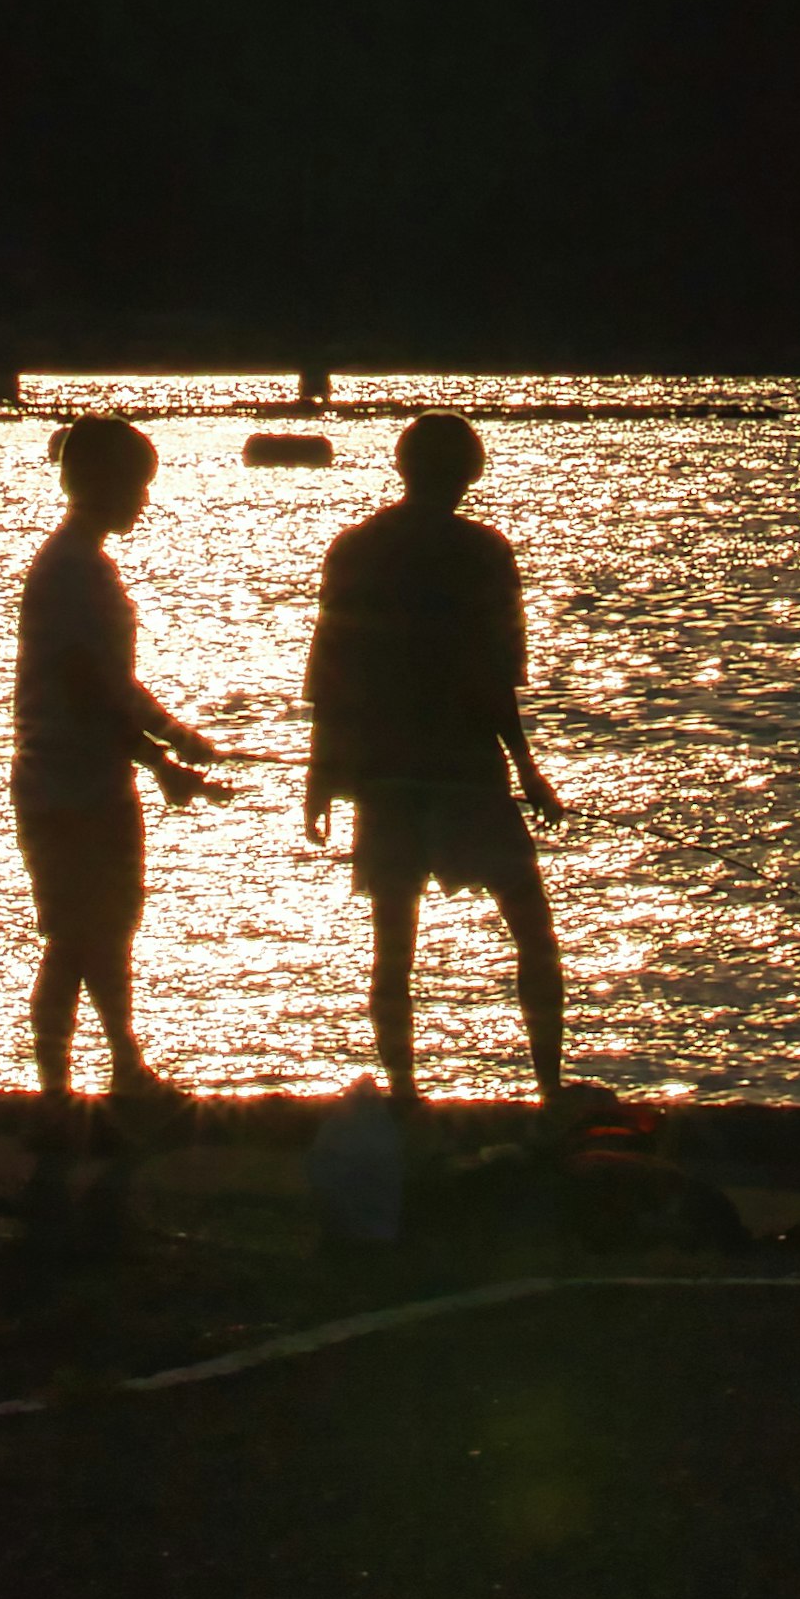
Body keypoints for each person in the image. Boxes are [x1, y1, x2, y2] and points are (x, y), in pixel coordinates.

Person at [302, 412, 569, 1109]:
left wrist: (320, 774)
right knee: (531, 928)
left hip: (384, 773)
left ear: (403, 467)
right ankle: (550, 1090)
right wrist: (527, 770)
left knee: (394, 942)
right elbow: (496, 680)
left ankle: (404, 1093)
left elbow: (330, 671)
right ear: (469, 473)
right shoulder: (485, 554)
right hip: (465, 773)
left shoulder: (355, 549)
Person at [14, 414, 220, 1110]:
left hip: (87, 779)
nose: (144, 500)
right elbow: (83, 688)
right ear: (101, 482)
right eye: (137, 486)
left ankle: (119, 1071)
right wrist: (158, 761)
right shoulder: (73, 570)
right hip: (70, 786)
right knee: (77, 937)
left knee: (104, 932)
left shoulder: (83, 565)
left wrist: (175, 736)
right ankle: (59, 1094)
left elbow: (114, 683)